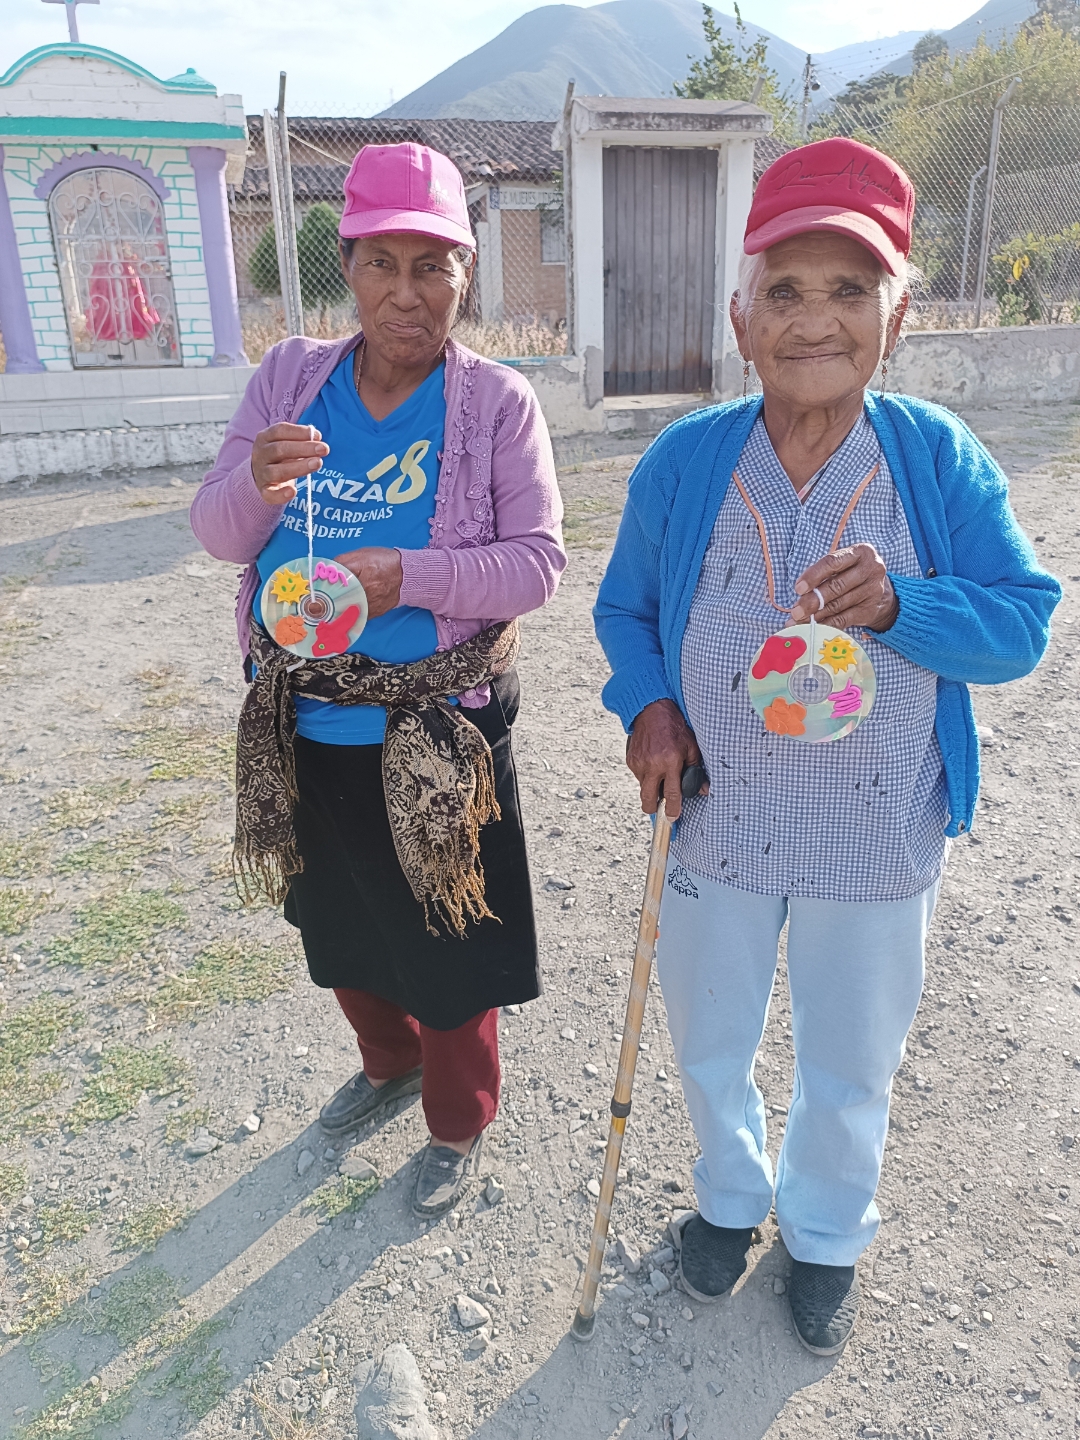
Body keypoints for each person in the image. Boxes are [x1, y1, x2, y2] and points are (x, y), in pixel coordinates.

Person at [594, 137, 1059, 1354]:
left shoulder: (934, 457)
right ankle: (729, 1197)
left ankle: (826, 1230)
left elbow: (1020, 625)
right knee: (710, 1037)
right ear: (741, 320)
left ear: (896, 319)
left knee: (852, 1059)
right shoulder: (687, 460)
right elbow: (625, 611)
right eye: (785, 290)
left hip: (876, 821)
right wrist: (648, 707)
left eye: (850, 289)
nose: (814, 319)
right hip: (717, 815)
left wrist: (905, 604)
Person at [191, 141, 565, 1220]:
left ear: (465, 275)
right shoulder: (289, 378)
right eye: (382, 263)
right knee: (341, 927)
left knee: (450, 940)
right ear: (347, 266)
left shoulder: (495, 403)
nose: (407, 293)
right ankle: (389, 1063)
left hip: (436, 736)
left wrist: (410, 574)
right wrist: (255, 483)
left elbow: (537, 564)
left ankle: (456, 1119)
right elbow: (218, 533)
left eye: (433, 266)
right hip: (302, 728)